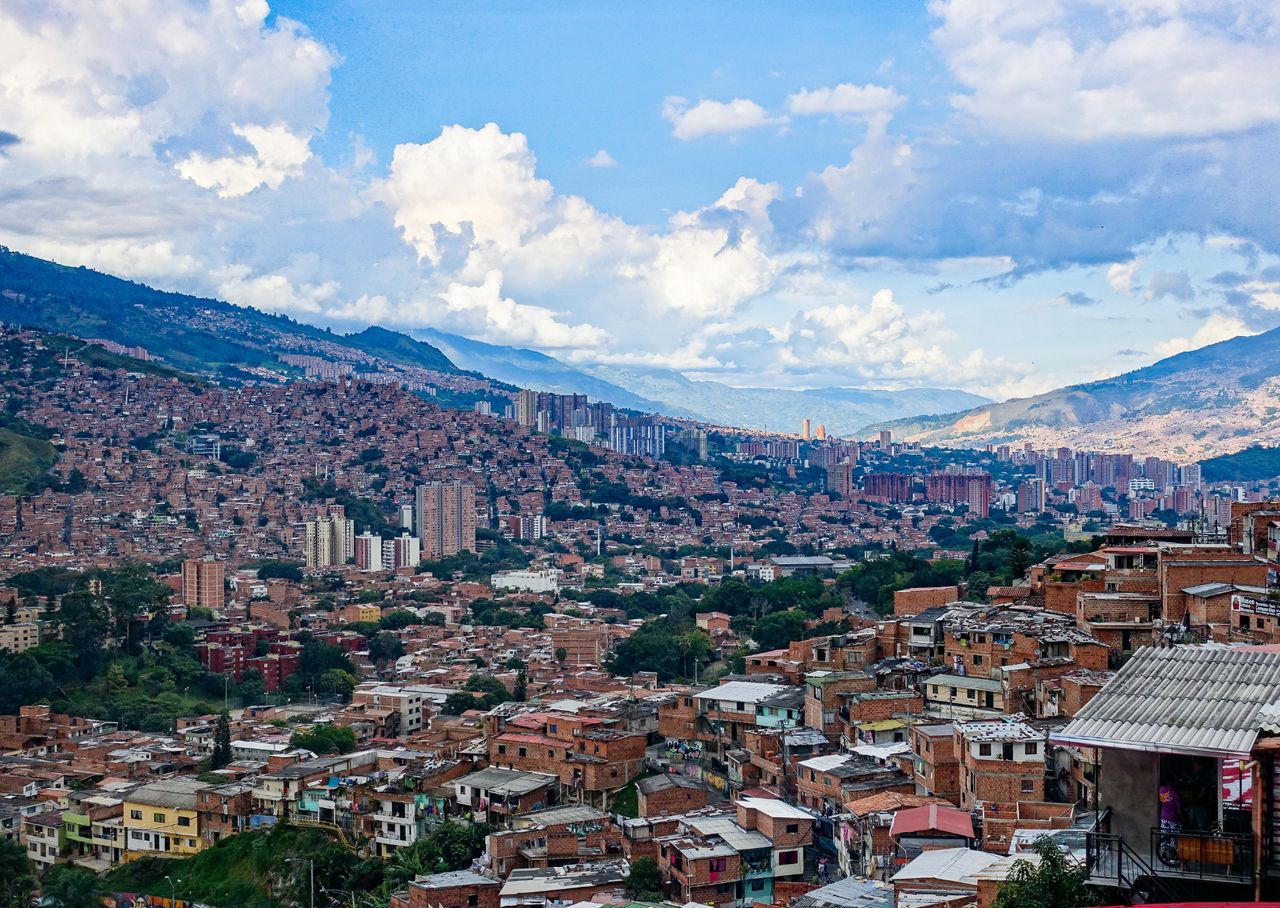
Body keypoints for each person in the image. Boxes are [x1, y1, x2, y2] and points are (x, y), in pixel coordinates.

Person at [1158, 782, 1182, 864]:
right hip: (1173, 818)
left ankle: (1163, 855)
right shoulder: (1175, 793)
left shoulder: (1161, 790)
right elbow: (1179, 808)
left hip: (1164, 817)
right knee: (1174, 838)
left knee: (1164, 836)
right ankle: (1172, 855)